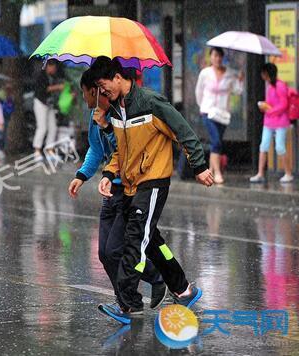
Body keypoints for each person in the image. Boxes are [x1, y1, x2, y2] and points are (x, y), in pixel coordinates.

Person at [90, 56, 214, 325]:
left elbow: (183, 130)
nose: (102, 92)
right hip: (133, 184)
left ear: (118, 78)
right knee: (152, 242)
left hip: (154, 182)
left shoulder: (149, 102)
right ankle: (183, 289)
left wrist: (199, 165)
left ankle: (127, 305)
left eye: (103, 85)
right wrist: (109, 175)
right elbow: (121, 153)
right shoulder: (117, 110)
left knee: (135, 239)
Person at [68, 69, 168, 310]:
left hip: (128, 191)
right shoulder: (95, 114)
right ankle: (130, 299)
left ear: (95, 90)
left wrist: (105, 126)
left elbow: (124, 152)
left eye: (84, 93)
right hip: (109, 192)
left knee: (117, 250)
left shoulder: (120, 112)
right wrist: (82, 175)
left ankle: (149, 284)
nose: (84, 98)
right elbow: (96, 149)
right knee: (105, 252)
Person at [195, 47, 244, 184]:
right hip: (208, 112)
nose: (217, 59)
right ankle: (217, 173)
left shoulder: (229, 74)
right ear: (210, 57)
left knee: (216, 143)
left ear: (222, 58)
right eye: (214, 56)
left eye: (219, 56)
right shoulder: (205, 73)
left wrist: (240, 80)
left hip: (222, 114)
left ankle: (210, 170)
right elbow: (199, 91)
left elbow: (237, 91)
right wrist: (202, 107)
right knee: (216, 141)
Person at [250, 63, 294, 183]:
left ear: (267, 73)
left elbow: (284, 104)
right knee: (263, 146)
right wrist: (265, 106)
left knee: (280, 147)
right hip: (269, 121)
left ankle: (288, 173)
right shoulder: (270, 86)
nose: (262, 75)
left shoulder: (280, 85)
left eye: (263, 72)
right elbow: (272, 102)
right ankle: (260, 173)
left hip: (280, 121)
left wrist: (270, 110)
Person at [33, 59, 65, 160]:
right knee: (42, 127)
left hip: (49, 104)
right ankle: (37, 151)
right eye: (53, 67)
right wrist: (57, 87)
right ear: (48, 66)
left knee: (53, 127)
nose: (54, 69)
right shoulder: (41, 76)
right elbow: (43, 89)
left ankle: (49, 150)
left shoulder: (53, 76)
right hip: (40, 103)